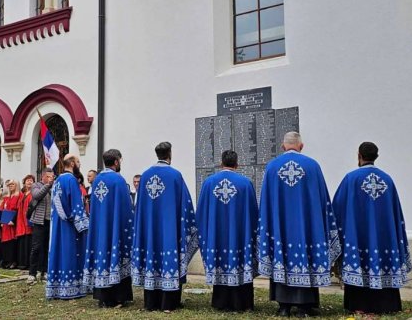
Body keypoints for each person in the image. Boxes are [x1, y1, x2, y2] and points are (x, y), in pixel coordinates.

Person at [257, 132, 341, 318]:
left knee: (282, 257)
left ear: (282, 146)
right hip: (307, 228)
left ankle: (283, 306)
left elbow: (266, 203)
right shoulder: (313, 166)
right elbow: (322, 200)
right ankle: (305, 306)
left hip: (281, 229)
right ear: (301, 146)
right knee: (307, 257)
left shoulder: (272, 167)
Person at [332, 142, 412, 314]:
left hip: (358, 236)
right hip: (384, 238)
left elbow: (337, 209)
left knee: (359, 263)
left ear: (359, 155)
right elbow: (395, 211)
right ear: (376, 156)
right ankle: (386, 305)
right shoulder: (388, 179)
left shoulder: (351, 178)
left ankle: (359, 306)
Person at [132, 142, 199, 312]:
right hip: (170, 229)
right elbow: (185, 204)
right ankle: (169, 303)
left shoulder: (145, 175)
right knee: (169, 259)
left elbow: (140, 206)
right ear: (169, 153)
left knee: (152, 259)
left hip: (150, 229)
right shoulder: (175, 175)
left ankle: (150, 303)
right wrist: (188, 224)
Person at [196, 150, 258, 311]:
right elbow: (253, 213)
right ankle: (242, 304)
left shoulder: (209, 183)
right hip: (240, 236)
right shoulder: (245, 183)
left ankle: (221, 303)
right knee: (240, 262)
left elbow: (201, 213)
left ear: (221, 163)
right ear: (237, 164)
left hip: (217, 236)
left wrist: (206, 233)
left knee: (220, 261)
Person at [83, 149, 134, 307]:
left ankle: (103, 297)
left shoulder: (97, 180)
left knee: (101, 258)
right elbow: (126, 208)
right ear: (116, 162)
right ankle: (117, 297)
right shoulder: (118, 180)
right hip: (114, 228)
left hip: (99, 228)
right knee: (115, 258)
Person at [46, 154, 90, 299]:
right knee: (71, 252)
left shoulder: (58, 180)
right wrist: (84, 225)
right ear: (71, 163)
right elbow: (76, 205)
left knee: (59, 252)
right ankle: (73, 287)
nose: (79, 165)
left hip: (58, 223)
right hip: (70, 225)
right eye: (78, 162)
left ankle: (57, 287)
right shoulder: (71, 180)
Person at [27, 168, 54, 285]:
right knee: (36, 248)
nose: (51, 179)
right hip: (39, 221)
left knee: (47, 248)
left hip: (50, 221)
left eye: (52, 177)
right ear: (43, 176)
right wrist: (48, 185)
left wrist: (51, 186)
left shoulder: (53, 187)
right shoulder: (36, 185)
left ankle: (45, 271)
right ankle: (32, 273)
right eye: (48, 176)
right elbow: (37, 195)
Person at [0, 180, 21, 269]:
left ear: (17, 185)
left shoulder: (19, 196)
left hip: (12, 223)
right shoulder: (6, 198)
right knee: (5, 243)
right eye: (9, 185)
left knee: (12, 243)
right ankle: (6, 261)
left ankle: (13, 261)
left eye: (13, 184)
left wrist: (13, 220)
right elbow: (1, 210)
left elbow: (18, 210)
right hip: (5, 223)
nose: (11, 186)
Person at [16, 175, 34, 270]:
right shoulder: (22, 194)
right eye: (27, 180)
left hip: (29, 221)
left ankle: (28, 263)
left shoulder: (34, 193)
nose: (29, 182)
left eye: (31, 181)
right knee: (22, 243)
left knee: (29, 243)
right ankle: (22, 263)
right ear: (24, 182)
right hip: (21, 221)